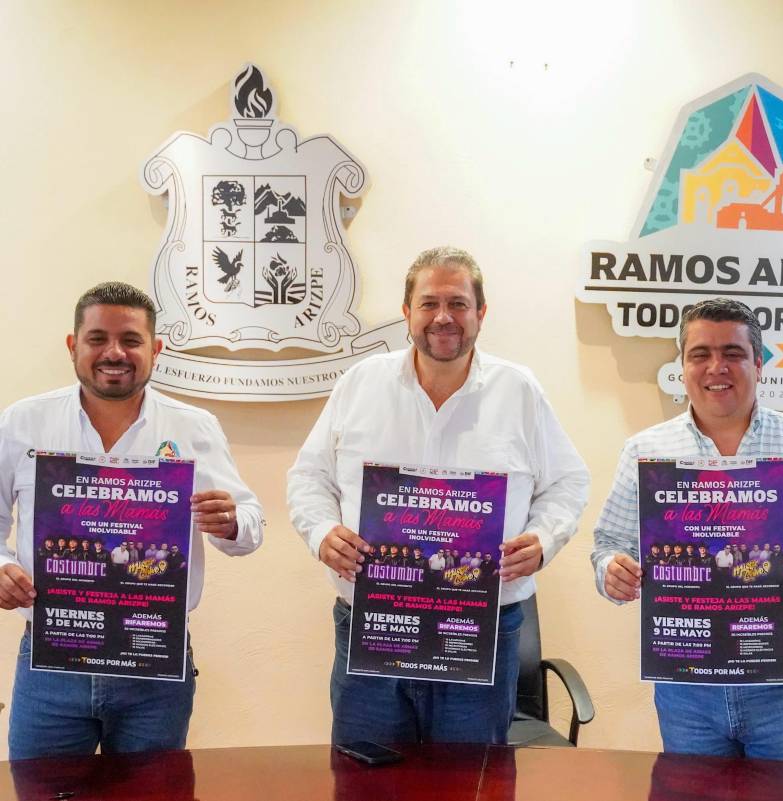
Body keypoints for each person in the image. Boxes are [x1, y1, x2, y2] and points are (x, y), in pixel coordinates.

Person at [287, 246, 589, 746]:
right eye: (429, 303)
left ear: (481, 313)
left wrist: (544, 538)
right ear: (407, 312)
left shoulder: (518, 391)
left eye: (458, 303)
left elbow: (568, 481)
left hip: (480, 629)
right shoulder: (360, 384)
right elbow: (309, 477)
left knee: (470, 778)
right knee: (365, 772)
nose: (443, 317)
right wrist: (321, 532)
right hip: (375, 622)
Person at [591, 298, 783, 762]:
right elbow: (609, 545)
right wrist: (612, 571)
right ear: (682, 367)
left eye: (733, 353)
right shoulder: (646, 451)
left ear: (759, 365)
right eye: (700, 354)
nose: (716, 367)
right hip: (686, 688)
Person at [0, 281, 264, 760]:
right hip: (52, 663)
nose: (114, 353)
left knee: (153, 792)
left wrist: (230, 522)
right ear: (73, 345)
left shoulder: (193, 427)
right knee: (41, 791)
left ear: (155, 349)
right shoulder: (22, 422)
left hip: (154, 665)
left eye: (131, 340)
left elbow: (249, 524)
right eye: (97, 338)